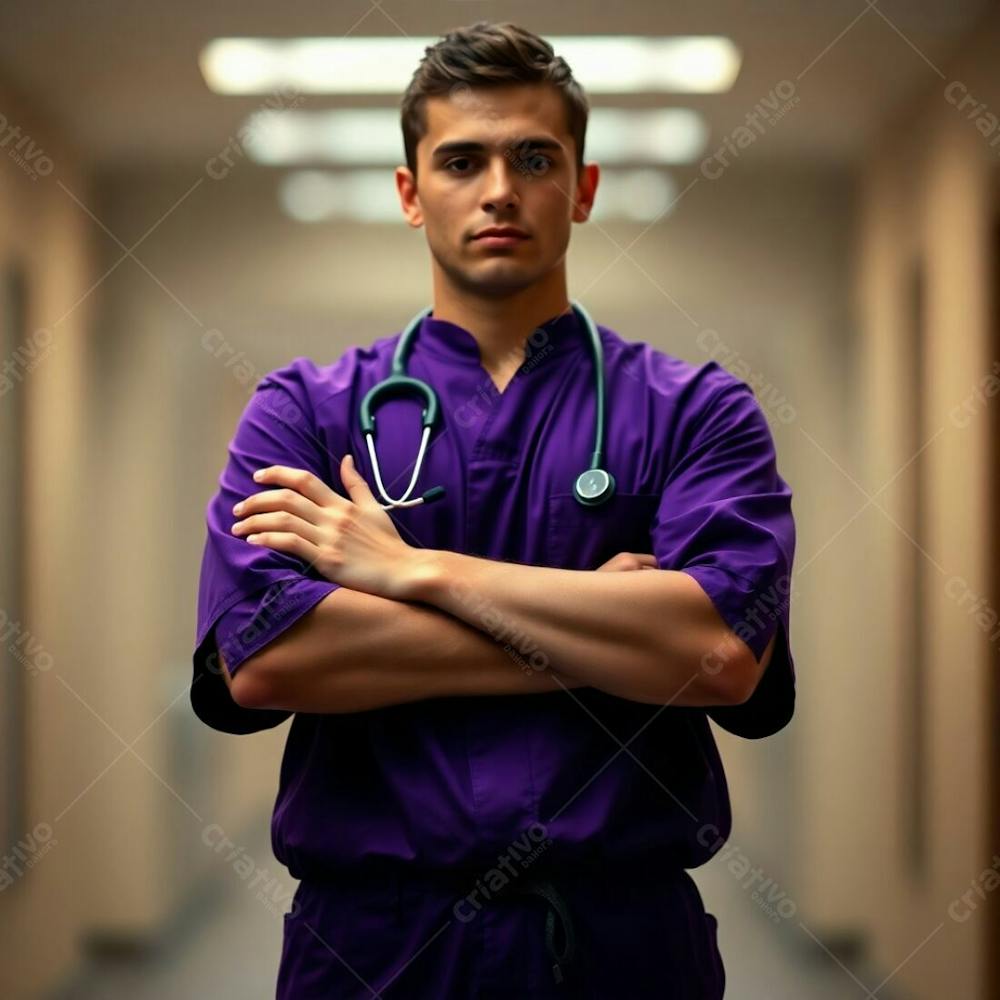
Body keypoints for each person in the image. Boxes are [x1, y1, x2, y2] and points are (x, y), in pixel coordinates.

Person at [191, 20, 796, 1000]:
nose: (500, 191)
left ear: (582, 188)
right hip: (370, 947)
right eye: (462, 160)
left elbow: (720, 653)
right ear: (409, 191)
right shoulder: (303, 408)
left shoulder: (695, 409)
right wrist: (596, 631)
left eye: (534, 158)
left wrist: (415, 572)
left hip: (623, 945)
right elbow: (263, 662)